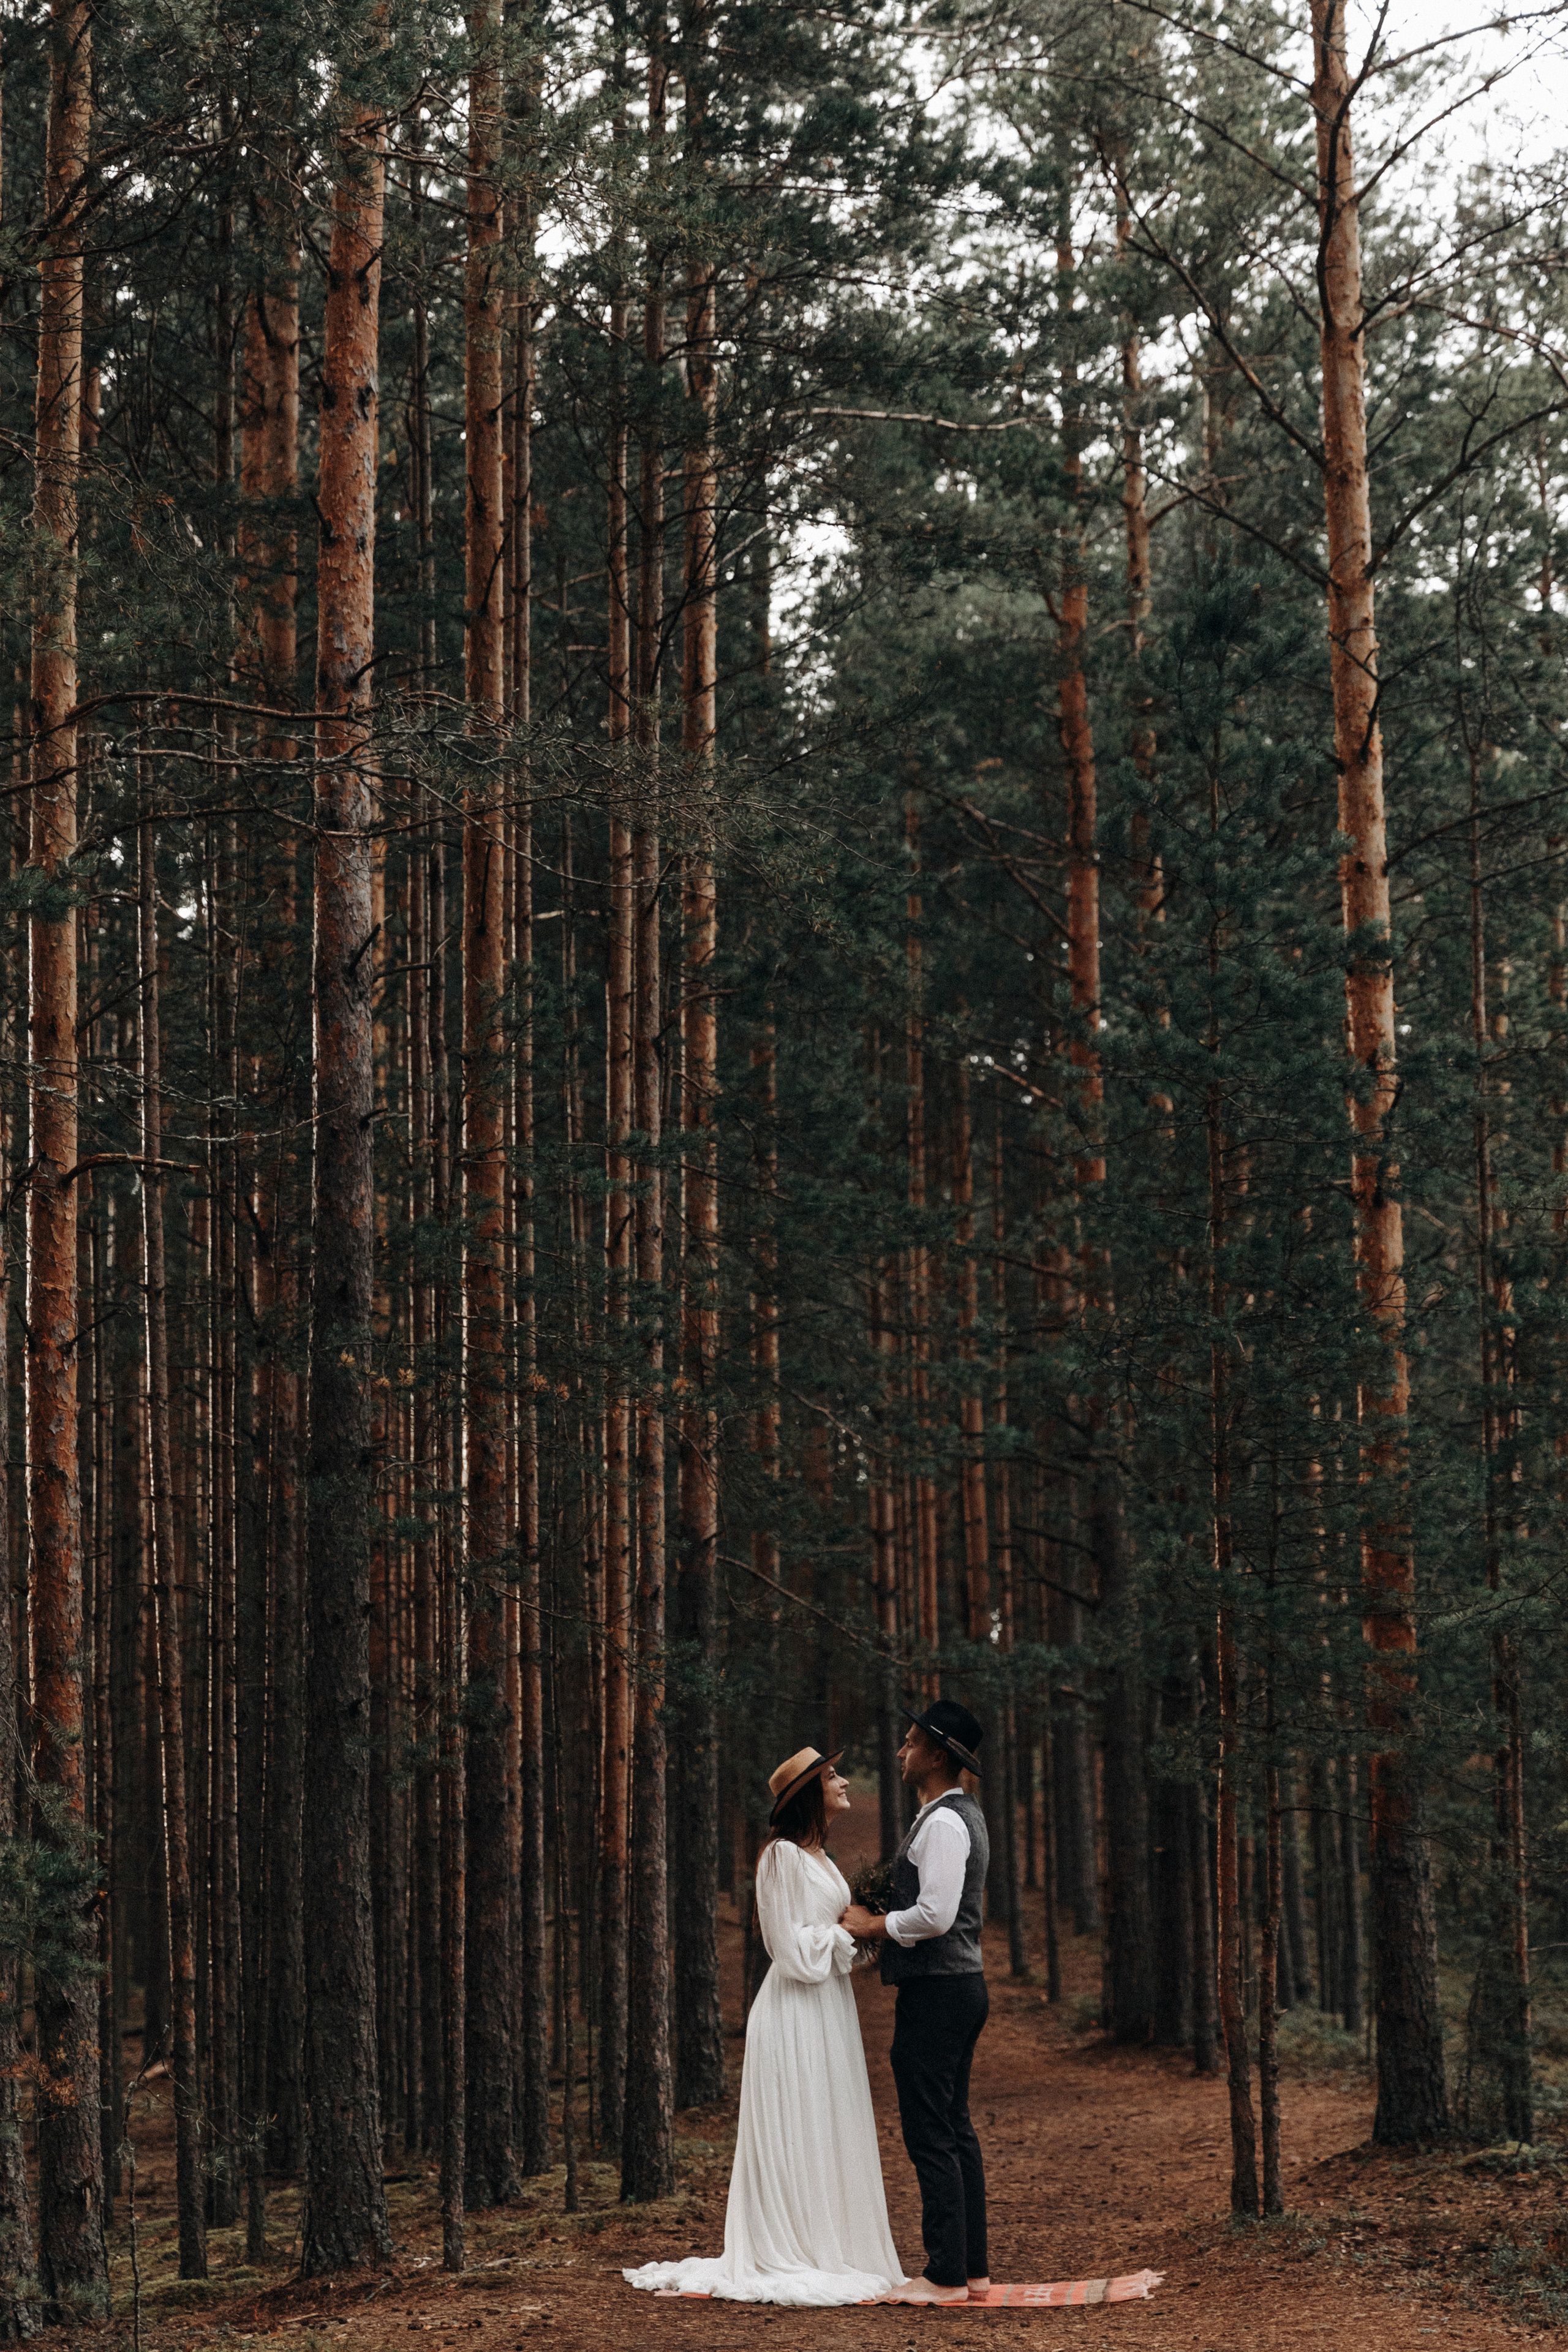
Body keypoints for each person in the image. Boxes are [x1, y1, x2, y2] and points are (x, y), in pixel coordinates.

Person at [624, 1746, 906, 2308]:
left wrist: (862, 1934)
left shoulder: (820, 1859)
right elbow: (789, 1950)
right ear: (809, 1794)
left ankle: (830, 2241)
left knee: (826, 2121)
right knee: (798, 2122)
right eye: (832, 1777)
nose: (845, 1781)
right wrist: (852, 1933)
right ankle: (793, 2246)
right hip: (794, 2013)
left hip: (827, 2009)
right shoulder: (780, 1857)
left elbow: (827, 1943)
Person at [839, 1698, 990, 2307]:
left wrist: (872, 1926)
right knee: (952, 2128)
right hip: (950, 1989)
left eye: (908, 1743)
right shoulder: (947, 1817)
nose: (900, 1752)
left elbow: (935, 1915)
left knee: (932, 2131)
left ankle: (946, 2277)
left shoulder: (947, 1823)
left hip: (941, 1991)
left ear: (934, 1753)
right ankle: (969, 2270)